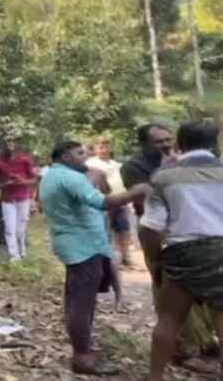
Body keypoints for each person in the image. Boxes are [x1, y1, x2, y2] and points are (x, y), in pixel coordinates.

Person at [39, 141, 150, 375]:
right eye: (80, 153)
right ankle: (82, 357)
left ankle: (82, 349)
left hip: (77, 244)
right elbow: (102, 202)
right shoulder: (70, 177)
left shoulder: (54, 175)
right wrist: (135, 192)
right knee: (82, 303)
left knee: (78, 301)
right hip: (83, 247)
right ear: (64, 156)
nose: (86, 156)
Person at [122, 124, 217, 361]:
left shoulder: (178, 169)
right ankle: (185, 350)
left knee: (199, 303)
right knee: (171, 306)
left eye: (168, 139)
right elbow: (145, 201)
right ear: (144, 144)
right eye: (158, 141)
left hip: (189, 236)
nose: (165, 145)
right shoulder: (134, 167)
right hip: (163, 235)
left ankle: (204, 341)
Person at [87, 137, 135, 267]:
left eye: (106, 147)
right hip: (101, 201)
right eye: (101, 147)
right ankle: (110, 259)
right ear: (95, 149)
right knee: (106, 230)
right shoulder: (90, 164)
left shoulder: (116, 164)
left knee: (123, 229)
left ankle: (125, 257)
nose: (104, 150)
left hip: (119, 200)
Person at [0, 137, 38, 261]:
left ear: (18, 145)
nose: (11, 145)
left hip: (23, 198)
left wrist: (23, 181)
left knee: (20, 229)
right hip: (7, 199)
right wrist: (3, 184)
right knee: (9, 228)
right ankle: (14, 255)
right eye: (8, 142)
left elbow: (34, 179)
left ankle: (22, 251)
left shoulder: (25, 160)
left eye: (13, 142)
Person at [86, 168, 124, 312]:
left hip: (103, 237)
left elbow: (109, 220)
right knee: (91, 268)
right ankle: (92, 298)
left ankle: (119, 297)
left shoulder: (104, 200)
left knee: (111, 265)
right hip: (87, 238)